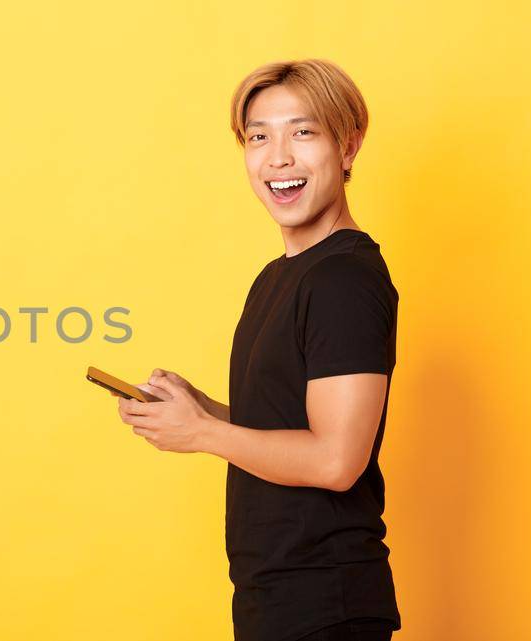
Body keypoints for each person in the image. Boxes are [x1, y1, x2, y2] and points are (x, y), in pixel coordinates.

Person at [113, 59, 402, 641]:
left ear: (348, 147)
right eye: (258, 137)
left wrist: (201, 434)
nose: (279, 158)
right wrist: (204, 411)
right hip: (276, 599)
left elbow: (336, 461)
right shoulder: (280, 277)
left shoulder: (344, 278)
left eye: (303, 132)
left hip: (326, 603)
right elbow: (288, 429)